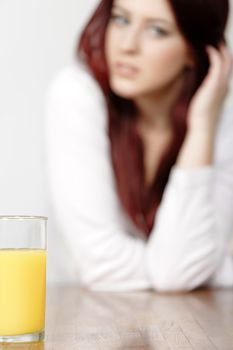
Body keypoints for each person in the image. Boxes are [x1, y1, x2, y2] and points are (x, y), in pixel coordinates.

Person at [45, 0, 233, 291]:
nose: (127, 45)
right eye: (121, 19)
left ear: (195, 51)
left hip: (189, 325)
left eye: (157, 30)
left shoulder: (216, 123)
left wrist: (202, 129)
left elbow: (178, 272)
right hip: (87, 319)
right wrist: (207, 266)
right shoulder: (77, 96)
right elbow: (101, 263)